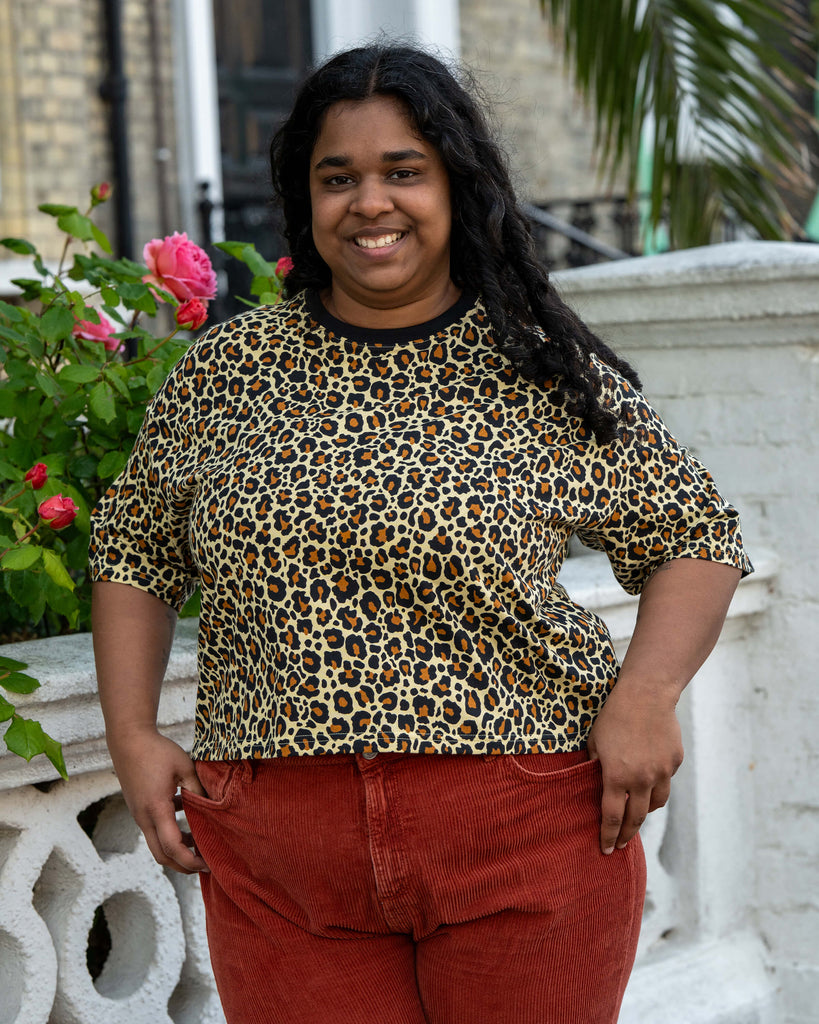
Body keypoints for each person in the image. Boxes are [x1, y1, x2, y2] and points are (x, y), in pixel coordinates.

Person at [90, 43, 752, 1024]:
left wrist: (647, 698)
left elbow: (691, 532)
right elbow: (135, 546)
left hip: (523, 819)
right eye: (338, 177)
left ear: (455, 183)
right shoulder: (226, 372)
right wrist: (132, 735)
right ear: (304, 198)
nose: (370, 203)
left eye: (404, 170)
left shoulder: (536, 366)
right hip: (281, 844)